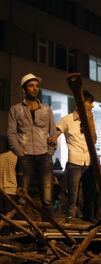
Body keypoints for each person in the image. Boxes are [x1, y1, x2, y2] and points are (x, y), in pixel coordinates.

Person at [7, 73, 56, 216]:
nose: (35, 89)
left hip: (44, 156)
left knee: (47, 199)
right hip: (25, 156)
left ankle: (48, 231)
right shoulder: (16, 109)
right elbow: (11, 133)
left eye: (37, 86)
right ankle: (19, 231)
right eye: (31, 85)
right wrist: (19, 152)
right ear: (24, 89)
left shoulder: (47, 109)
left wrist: (50, 152)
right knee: (22, 198)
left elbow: (53, 132)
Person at [49, 90, 97, 221]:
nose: (92, 106)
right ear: (81, 103)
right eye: (89, 103)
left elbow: (93, 140)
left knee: (90, 196)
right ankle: (71, 221)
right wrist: (52, 139)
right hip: (74, 163)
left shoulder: (91, 121)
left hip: (90, 163)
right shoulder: (67, 119)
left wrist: (91, 121)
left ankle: (88, 222)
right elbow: (56, 132)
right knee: (73, 197)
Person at [0, 148, 18, 214]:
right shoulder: (17, 156)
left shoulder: (1, 156)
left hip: (1, 190)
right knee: (10, 219)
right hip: (11, 191)